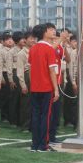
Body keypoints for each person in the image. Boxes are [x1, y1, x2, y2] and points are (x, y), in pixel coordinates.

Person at [28, 24, 59, 152]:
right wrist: (56, 89)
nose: (53, 32)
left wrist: (33, 83)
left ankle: (35, 144)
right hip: (46, 87)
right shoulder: (49, 49)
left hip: (35, 88)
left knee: (36, 116)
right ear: (44, 33)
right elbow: (52, 71)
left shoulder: (33, 48)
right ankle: (43, 145)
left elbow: (30, 69)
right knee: (45, 117)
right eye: (50, 30)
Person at [17, 32, 34, 133]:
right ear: (25, 40)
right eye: (30, 38)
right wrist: (23, 85)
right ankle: (25, 126)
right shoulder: (21, 53)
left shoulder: (35, 50)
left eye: (34, 38)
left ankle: (32, 125)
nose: (33, 40)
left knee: (34, 102)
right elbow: (20, 71)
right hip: (27, 76)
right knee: (26, 103)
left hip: (35, 76)